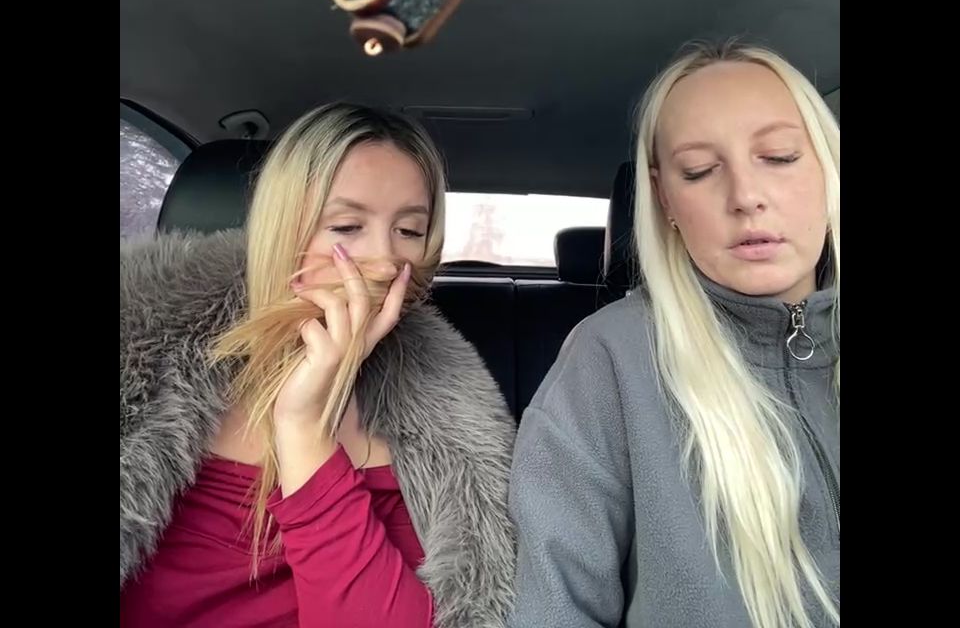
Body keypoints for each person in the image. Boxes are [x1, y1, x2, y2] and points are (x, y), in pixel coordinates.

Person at [120, 103, 517, 628]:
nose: (385, 260)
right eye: (347, 226)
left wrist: (305, 431)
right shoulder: (141, 347)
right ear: (283, 231)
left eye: (410, 230)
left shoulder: (440, 421)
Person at [508, 41, 840, 628]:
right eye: (701, 171)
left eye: (779, 156)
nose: (746, 196)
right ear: (665, 199)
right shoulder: (612, 358)